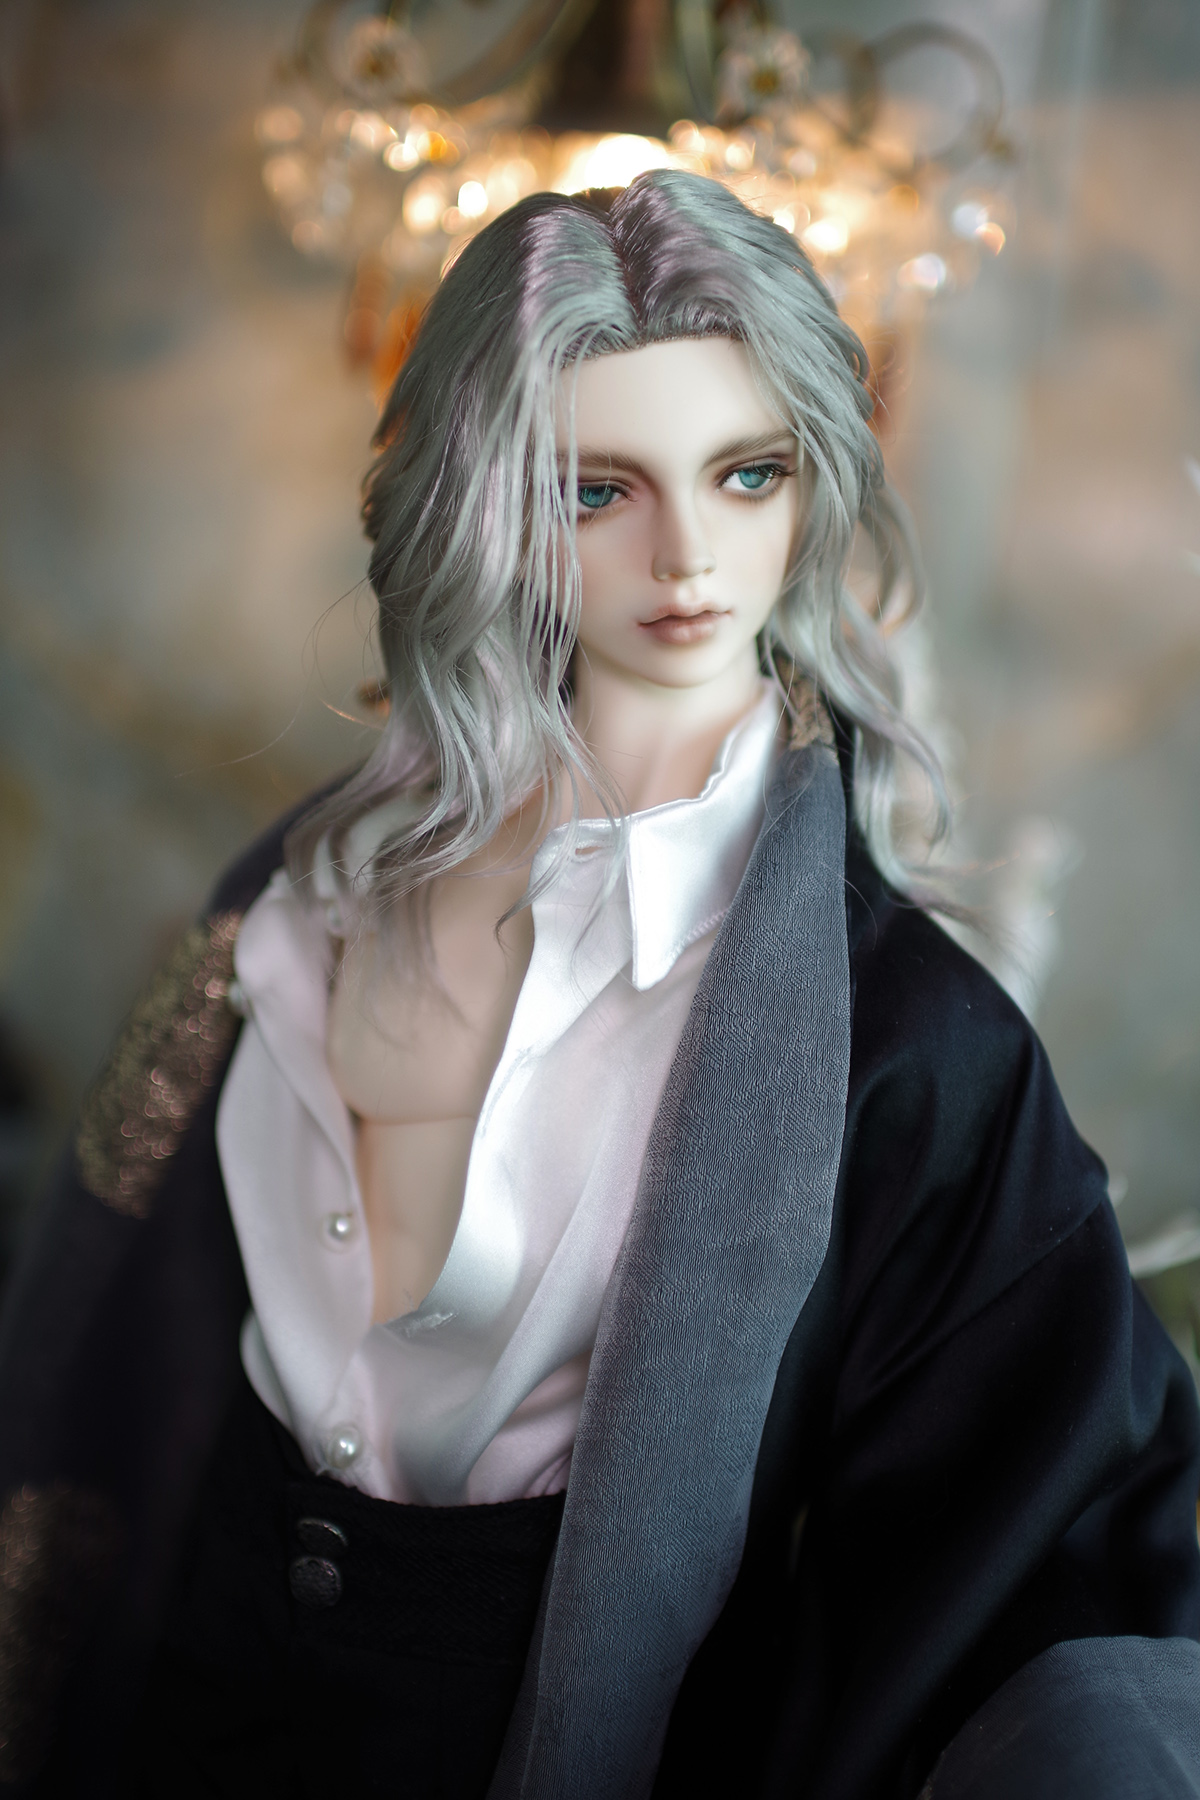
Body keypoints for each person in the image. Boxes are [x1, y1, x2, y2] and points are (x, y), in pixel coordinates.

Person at [0, 170, 1197, 1800]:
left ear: (817, 478)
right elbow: (113, 1341)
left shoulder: (912, 1046)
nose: (689, 555)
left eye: (748, 473)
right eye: (598, 490)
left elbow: (1042, 1533)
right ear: (494, 502)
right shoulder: (298, 895)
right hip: (185, 1700)